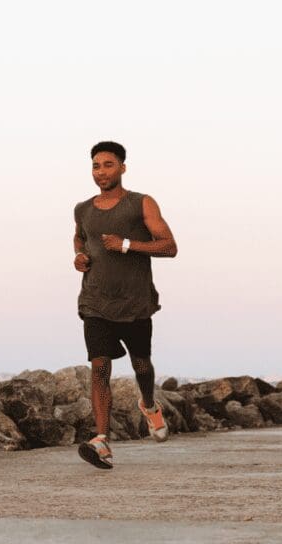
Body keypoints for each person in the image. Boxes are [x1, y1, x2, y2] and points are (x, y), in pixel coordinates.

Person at [74, 141, 178, 469]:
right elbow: (80, 237)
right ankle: (102, 440)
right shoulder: (83, 209)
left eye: (107, 165)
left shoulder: (141, 204)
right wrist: (79, 256)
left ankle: (148, 404)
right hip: (94, 302)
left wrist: (128, 244)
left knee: (141, 366)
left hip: (135, 303)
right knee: (100, 367)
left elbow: (170, 246)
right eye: (95, 166)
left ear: (122, 167)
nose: (101, 172)